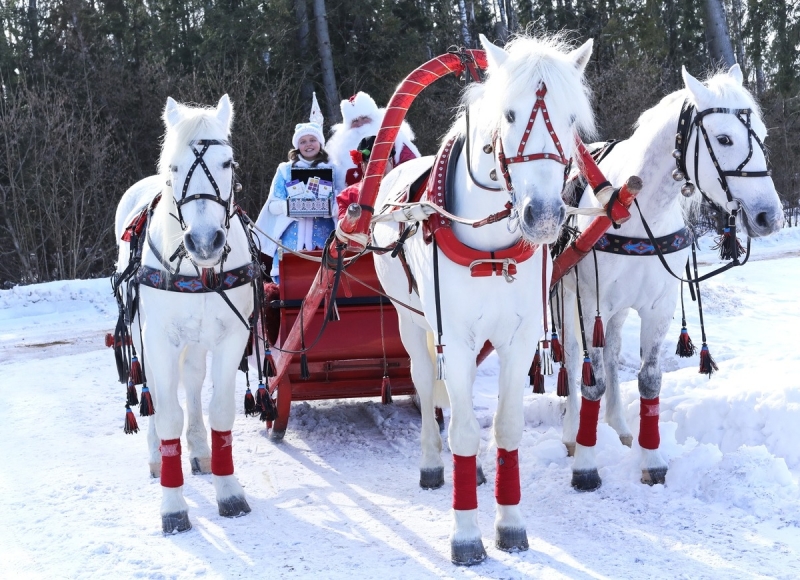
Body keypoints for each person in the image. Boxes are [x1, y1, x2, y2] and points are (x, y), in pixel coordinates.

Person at [255, 94, 337, 284]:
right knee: (291, 285)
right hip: (291, 241)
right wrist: (293, 207)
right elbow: (273, 204)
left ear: (320, 143)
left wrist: (329, 208)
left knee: (326, 282)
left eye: (312, 140)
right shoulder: (285, 169)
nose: (308, 144)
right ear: (297, 145)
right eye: (303, 141)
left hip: (324, 238)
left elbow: (340, 200)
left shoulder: (333, 169)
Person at [326, 91, 419, 193]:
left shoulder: (396, 140)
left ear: (375, 118)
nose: (360, 124)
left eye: (365, 118)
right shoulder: (339, 151)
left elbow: (413, 168)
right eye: (355, 121)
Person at [336, 136, 394, 222]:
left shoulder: (407, 189)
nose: (379, 166)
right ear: (362, 165)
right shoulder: (348, 196)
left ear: (391, 161)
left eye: (383, 159)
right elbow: (344, 230)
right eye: (372, 161)